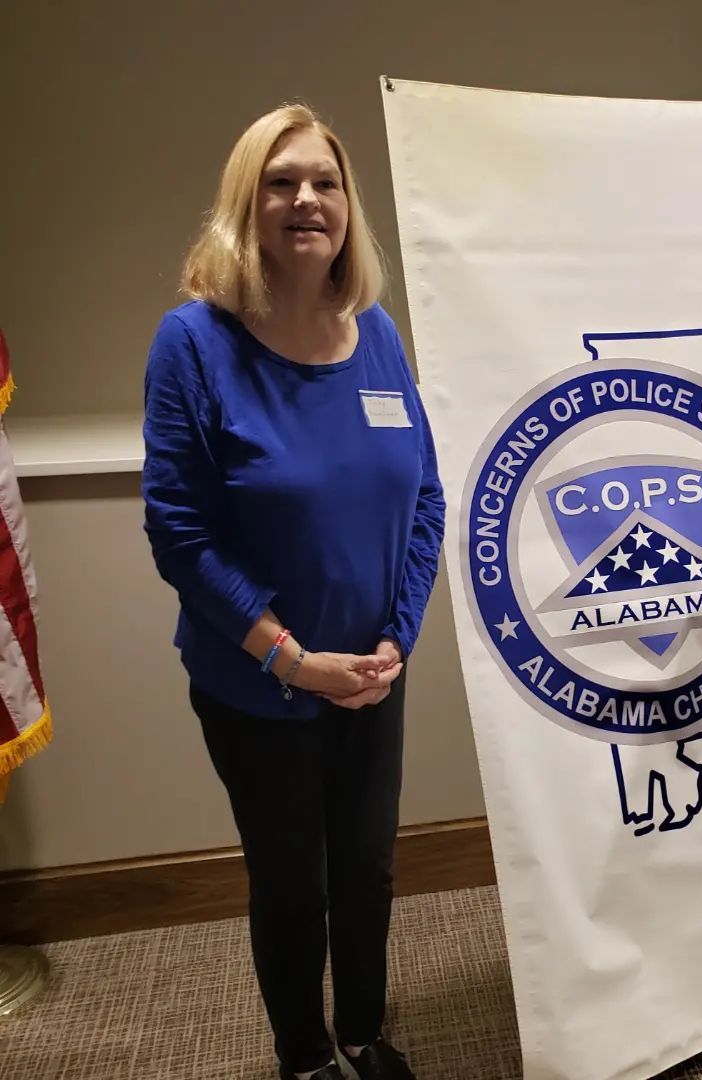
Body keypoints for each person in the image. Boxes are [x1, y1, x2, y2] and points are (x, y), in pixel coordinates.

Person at [141, 103, 445, 1080]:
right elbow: (179, 534)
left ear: (348, 206)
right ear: (248, 204)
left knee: (368, 870)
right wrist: (292, 658)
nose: (306, 199)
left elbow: (427, 497)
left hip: (373, 677)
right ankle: (306, 1057)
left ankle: (362, 1033)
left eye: (325, 181)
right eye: (281, 182)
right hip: (260, 684)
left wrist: (396, 638)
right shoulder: (193, 343)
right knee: (292, 885)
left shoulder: (378, 335)